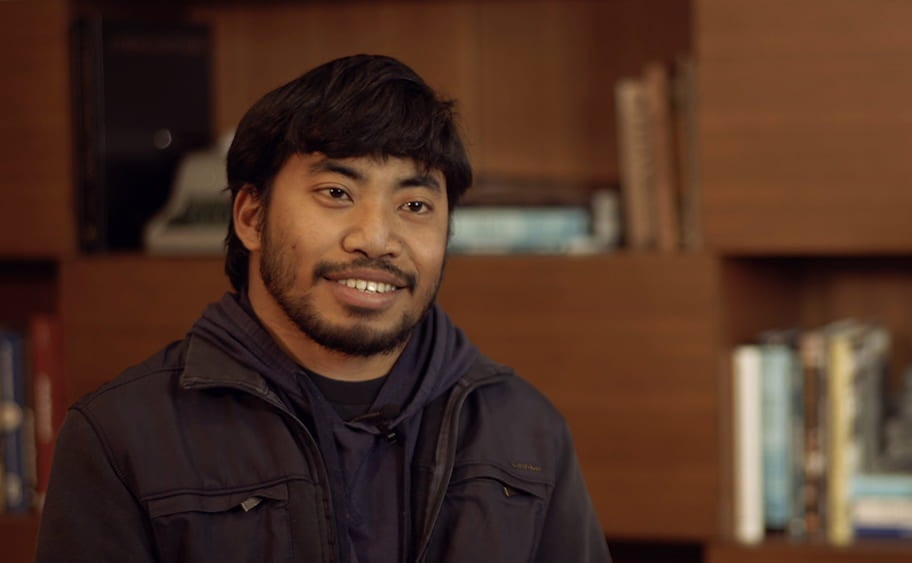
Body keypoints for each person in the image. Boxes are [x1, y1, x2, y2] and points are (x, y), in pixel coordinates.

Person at [35, 54, 611, 563]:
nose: (377, 239)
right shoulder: (119, 440)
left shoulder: (527, 432)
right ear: (251, 218)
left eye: (414, 204)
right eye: (337, 193)